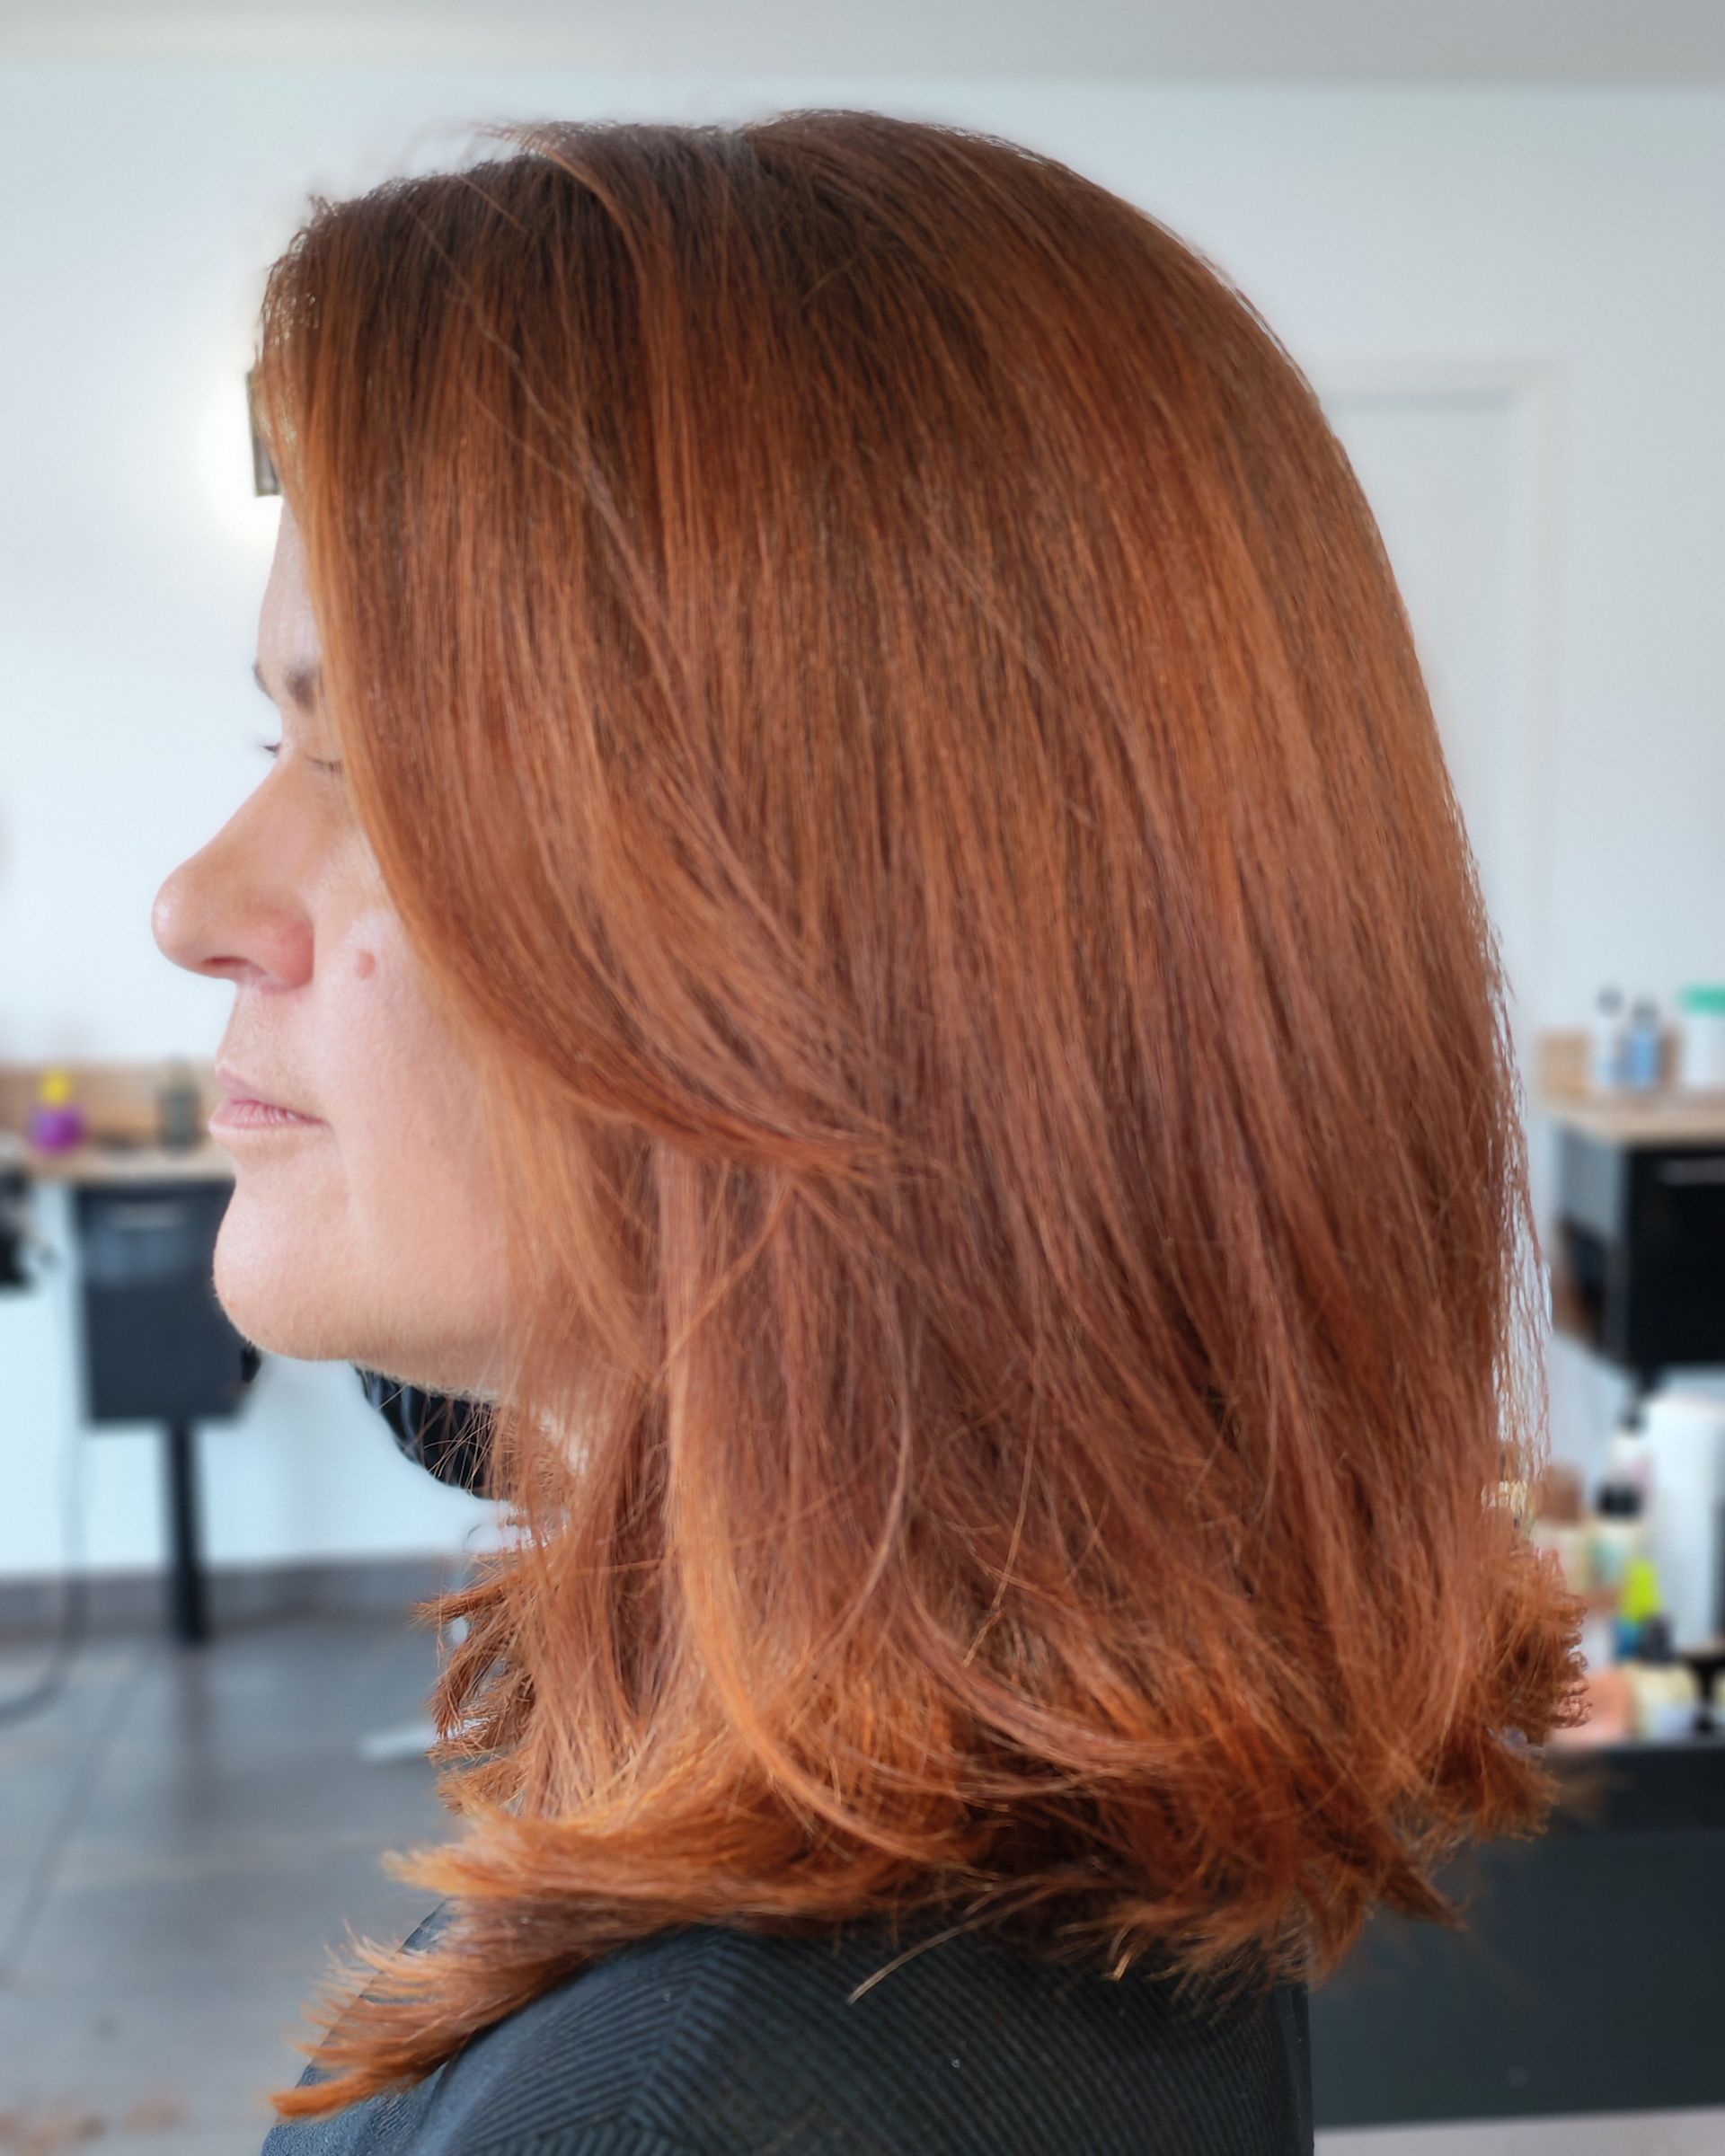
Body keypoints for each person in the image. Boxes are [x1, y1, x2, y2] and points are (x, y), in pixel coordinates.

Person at [151, 107, 1587, 2155]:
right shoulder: (1019, 1829)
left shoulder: (686, 2116)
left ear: (849, 950)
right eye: (275, 739)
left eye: (381, 765)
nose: (197, 904)